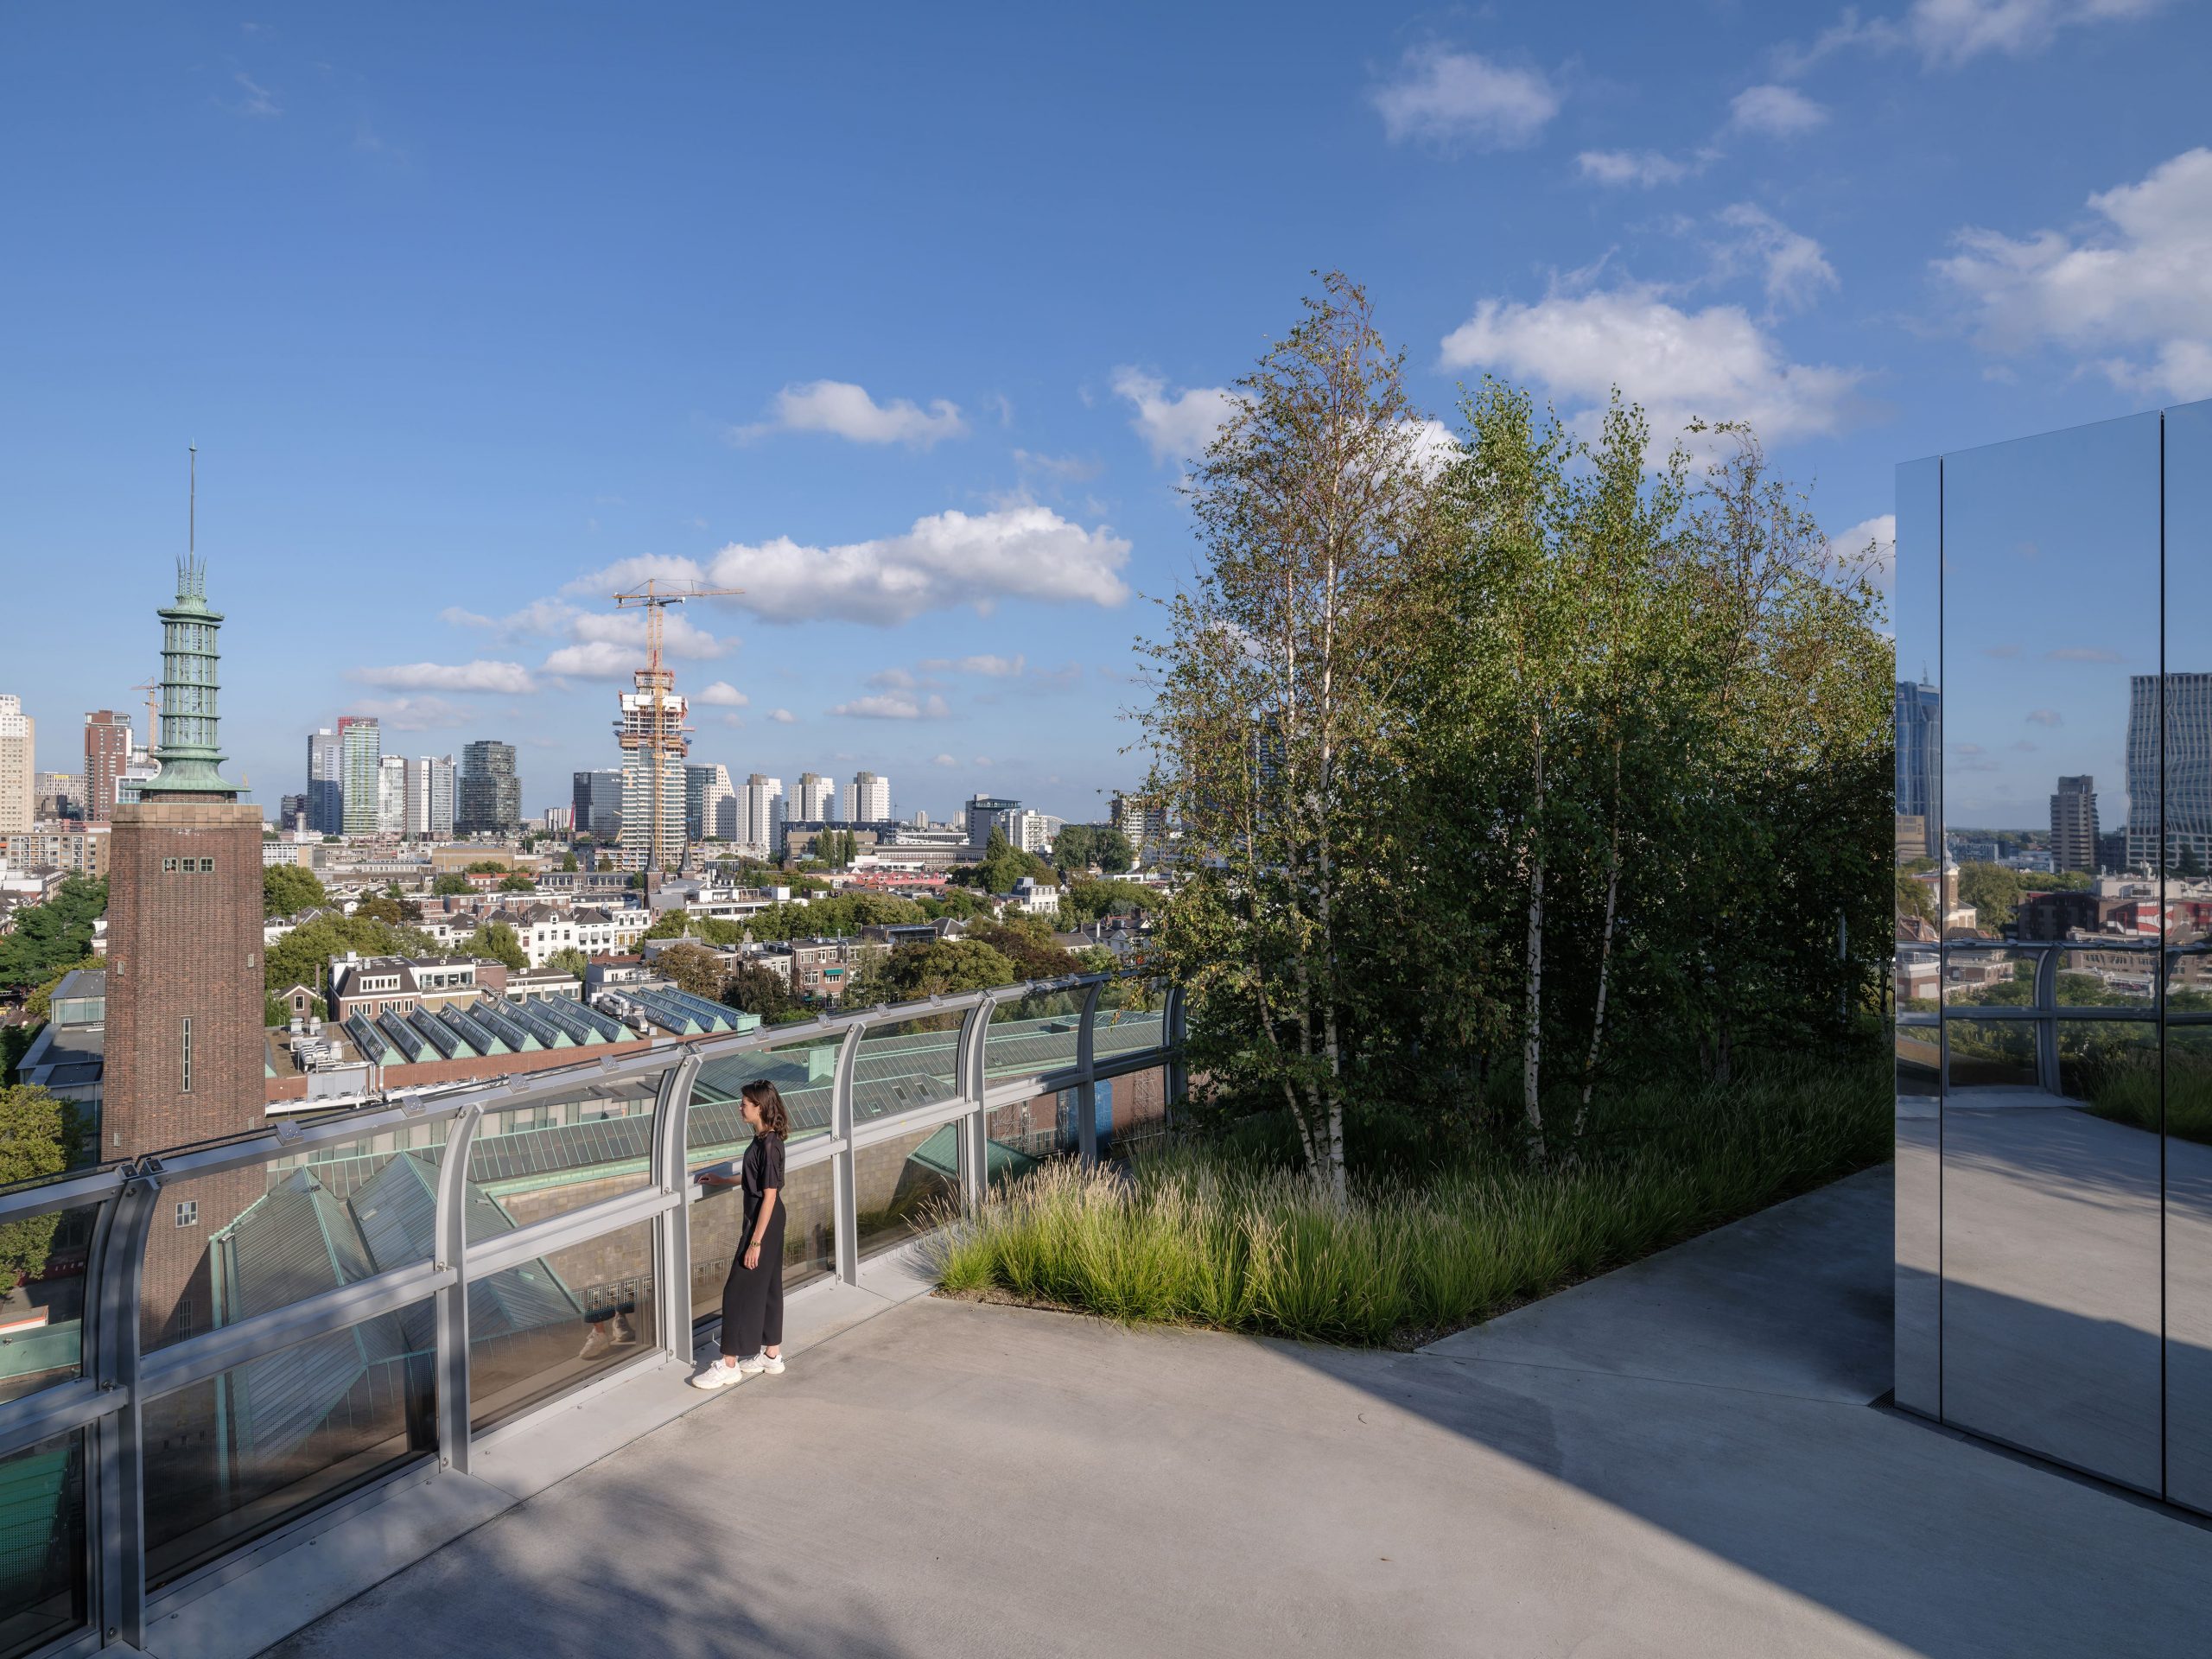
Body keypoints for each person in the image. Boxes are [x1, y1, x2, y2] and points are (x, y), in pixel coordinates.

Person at [690, 1078, 789, 1389]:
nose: (740, 1106)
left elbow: (769, 1195)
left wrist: (755, 1242)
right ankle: (771, 1355)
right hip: (767, 1220)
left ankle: (729, 1363)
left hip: (764, 1223)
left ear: (759, 1106)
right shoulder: (763, 1139)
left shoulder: (770, 1145)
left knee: (736, 1290)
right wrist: (723, 1181)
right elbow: (755, 1180)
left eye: (745, 1102)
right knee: (770, 1287)